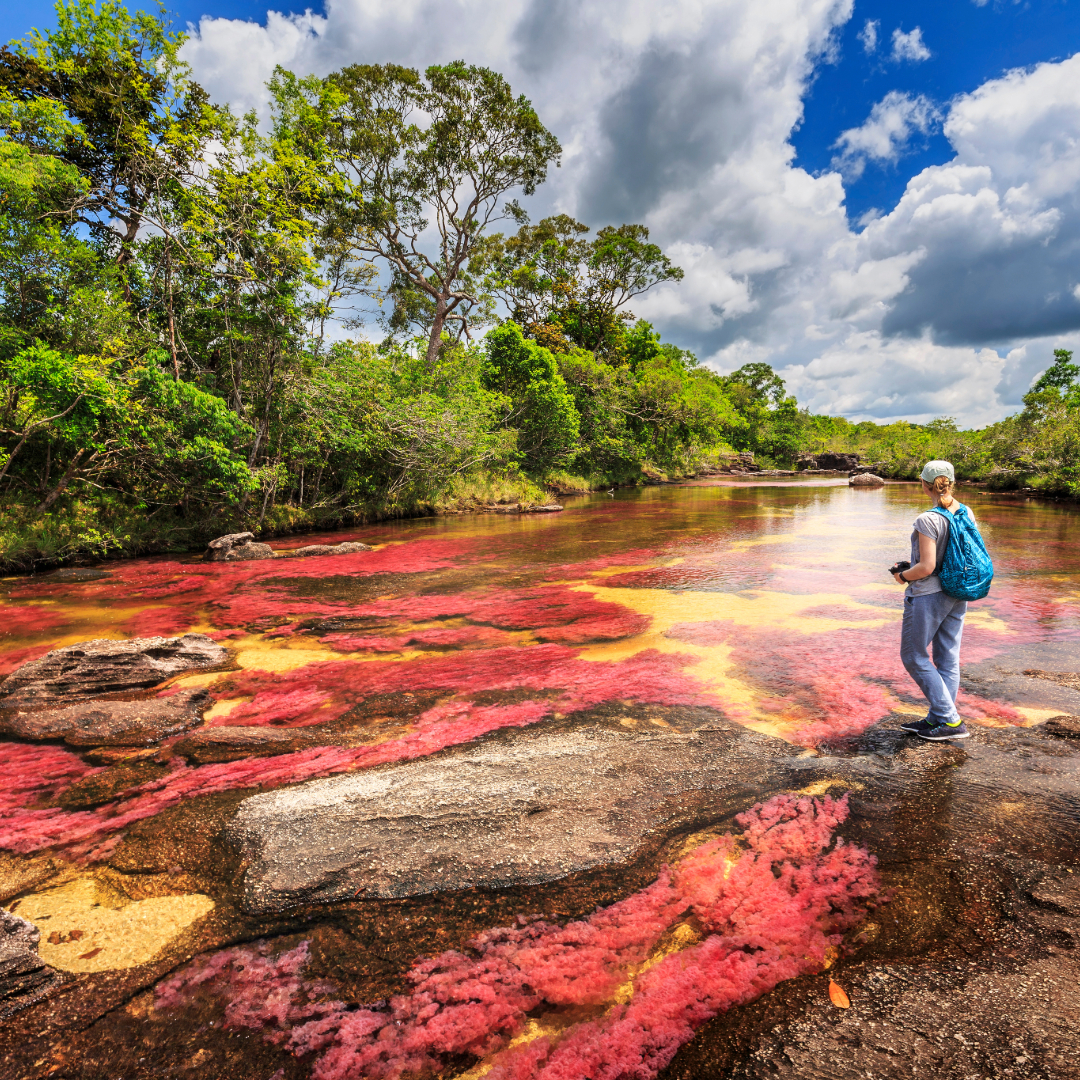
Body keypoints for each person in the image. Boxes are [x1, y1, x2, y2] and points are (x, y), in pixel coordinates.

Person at [894, 460, 971, 741]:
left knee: (913, 656)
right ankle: (938, 718)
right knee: (947, 658)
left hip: (929, 594)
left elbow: (925, 568)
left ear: (923, 483)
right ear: (950, 482)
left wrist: (903, 575)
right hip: (958, 591)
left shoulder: (927, 519)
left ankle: (951, 721)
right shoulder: (965, 511)